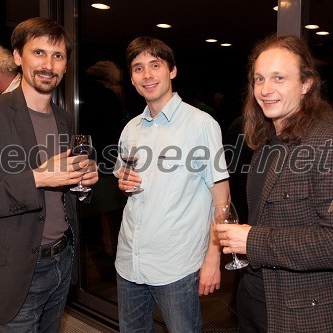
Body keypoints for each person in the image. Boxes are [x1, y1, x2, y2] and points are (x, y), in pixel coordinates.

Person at [0, 17, 99, 333]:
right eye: (38, 53)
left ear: (66, 65)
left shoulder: (64, 118)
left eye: (57, 56)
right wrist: (37, 178)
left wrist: (81, 184)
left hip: (62, 260)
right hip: (13, 271)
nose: (48, 64)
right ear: (17, 57)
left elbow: (62, 187)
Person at [215, 34, 333, 332]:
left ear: (306, 84)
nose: (265, 89)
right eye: (259, 79)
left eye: (278, 78)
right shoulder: (265, 144)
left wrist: (253, 241)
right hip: (255, 301)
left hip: (307, 316)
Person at [115, 36, 230, 333]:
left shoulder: (201, 124)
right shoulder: (131, 128)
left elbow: (222, 197)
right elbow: (125, 177)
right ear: (132, 78)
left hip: (176, 265)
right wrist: (124, 182)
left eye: (155, 65)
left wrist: (213, 259)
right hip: (129, 259)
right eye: (138, 68)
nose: (147, 75)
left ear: (172, 71)